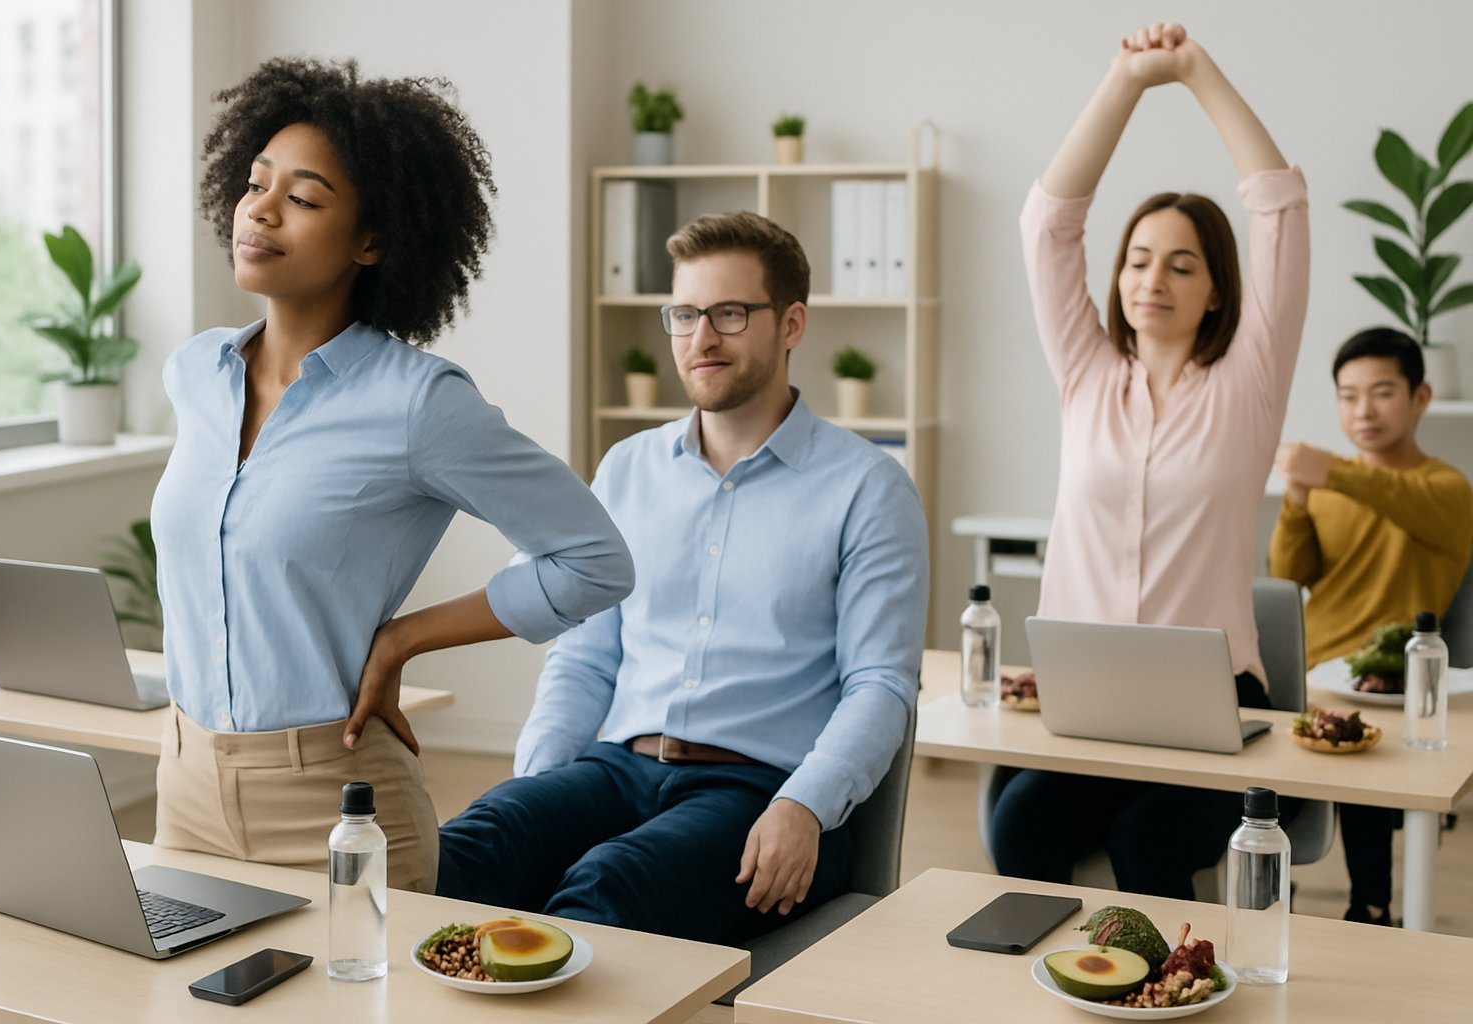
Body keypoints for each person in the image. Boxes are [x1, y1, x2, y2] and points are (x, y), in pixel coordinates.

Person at [150, 58, 633, 893]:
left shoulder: (418, 405)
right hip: (185, 784)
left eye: (302, 199)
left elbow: (594, 560)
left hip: (329, 803)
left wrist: (408, 635)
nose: (261, 210)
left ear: (372, 241)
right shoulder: (195, 374)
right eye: (256, 183)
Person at [434, 211, 929, 942]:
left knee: (608, 888)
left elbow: (881, 684)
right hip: (618, 769)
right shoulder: (627, 470)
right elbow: (584, 654)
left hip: (758, 792)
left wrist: (805, 807)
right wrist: (538, 785)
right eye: (685, 314)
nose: (701, 338)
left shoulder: (869, 487)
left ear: (791, 324)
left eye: (730, 313)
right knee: (463, 850)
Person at [991, 23, 1309, 898]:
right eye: (1136, 260)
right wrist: (1125, 81)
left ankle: (1164, 995)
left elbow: (1279, 205)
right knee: (1019, 821)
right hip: (1089, 705)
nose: (1151, 280)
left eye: (1180, 264)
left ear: (1217, 291)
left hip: (1217, 709)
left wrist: (1194, 71)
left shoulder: (1248, 384)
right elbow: (1047, 223)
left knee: (1148, 841)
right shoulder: (1087, 375)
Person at [1271, 327, 1473, 924]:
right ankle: (1265, 893)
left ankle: (1372, 905)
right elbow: (1289, 574)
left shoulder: (1447, 489)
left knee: (1359, 745)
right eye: (1348, 395)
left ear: (1421, 397)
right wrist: (1298, 501)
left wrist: (1329, 470)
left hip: (1391, 684)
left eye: (1382, 392)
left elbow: (1398, 497)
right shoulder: (1332, 486)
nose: (1363, 410)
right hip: (1312, 671)